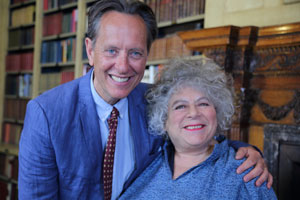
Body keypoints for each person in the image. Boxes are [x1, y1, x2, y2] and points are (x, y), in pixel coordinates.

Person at [18, 0, 272, 199]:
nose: (123, 65)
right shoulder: (46, 114)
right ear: (89, 50)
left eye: (135, 53)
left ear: (147, 55)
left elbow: (192, 133)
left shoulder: (155, 99)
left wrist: (244, 150)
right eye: (111, 50)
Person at [119, 58, 277, 199]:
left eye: (203, 103)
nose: (193, 113)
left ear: (217, 112)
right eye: (180, 106)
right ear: (163, 120)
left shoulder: (247, 172)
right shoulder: (148, 161)